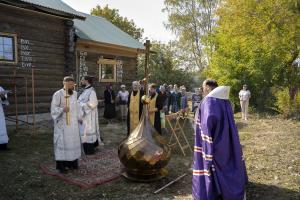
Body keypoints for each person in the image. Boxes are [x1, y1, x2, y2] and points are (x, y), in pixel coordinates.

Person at [192, 79, 247, 200]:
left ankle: (213, 193)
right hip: (228, 141)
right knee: (228, 166)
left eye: (203, 87)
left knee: (214, 169)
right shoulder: (225, 100)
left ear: (207, 87)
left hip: (214, 144)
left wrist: (207, 154)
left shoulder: (208, 102)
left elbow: (207, 126)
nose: (202, 90)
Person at [51, 76, 81, 174]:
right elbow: (53, 108)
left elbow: (77, 107)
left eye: (73, 84)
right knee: (62, 143)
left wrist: (79, 117)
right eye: (70, 84)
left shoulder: (75, 93)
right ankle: (61, 166)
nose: (72, 86)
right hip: (63, 123)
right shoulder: (58, 94)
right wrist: (62, 109)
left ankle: (72, 163)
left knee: (73, 142)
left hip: (73, 124)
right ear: (65, 83)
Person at [78, 76, 102, 155]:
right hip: (83, 115)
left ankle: (90, 150)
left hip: (89, 116)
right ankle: (87, 148)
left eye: (82, 80)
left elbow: (93, 104)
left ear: (86, 81)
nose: (81, 81)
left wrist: (80, 105)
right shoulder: (85, 90)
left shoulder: (91, 91)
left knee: (88, 132)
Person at [0, 86, 9, 151]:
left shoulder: (0, 88)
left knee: (2, 128)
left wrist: (2, 96)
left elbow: (5, 101)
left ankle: (3, 146)